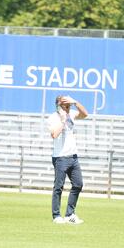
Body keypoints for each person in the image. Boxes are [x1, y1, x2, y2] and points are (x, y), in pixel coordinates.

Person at [47, 95, 88, 224]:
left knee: (78, 184)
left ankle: (70, 214)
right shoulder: (53, 118)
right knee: (58, 187)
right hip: (60, 157)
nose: (68, 108)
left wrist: (75, 102)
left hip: (73, 157)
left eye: (69, 105)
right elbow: (54, 134)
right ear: (59, 106)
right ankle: (56, 216)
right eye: (66, 105)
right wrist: (63, 120)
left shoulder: (72, 114)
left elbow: (85, 114)